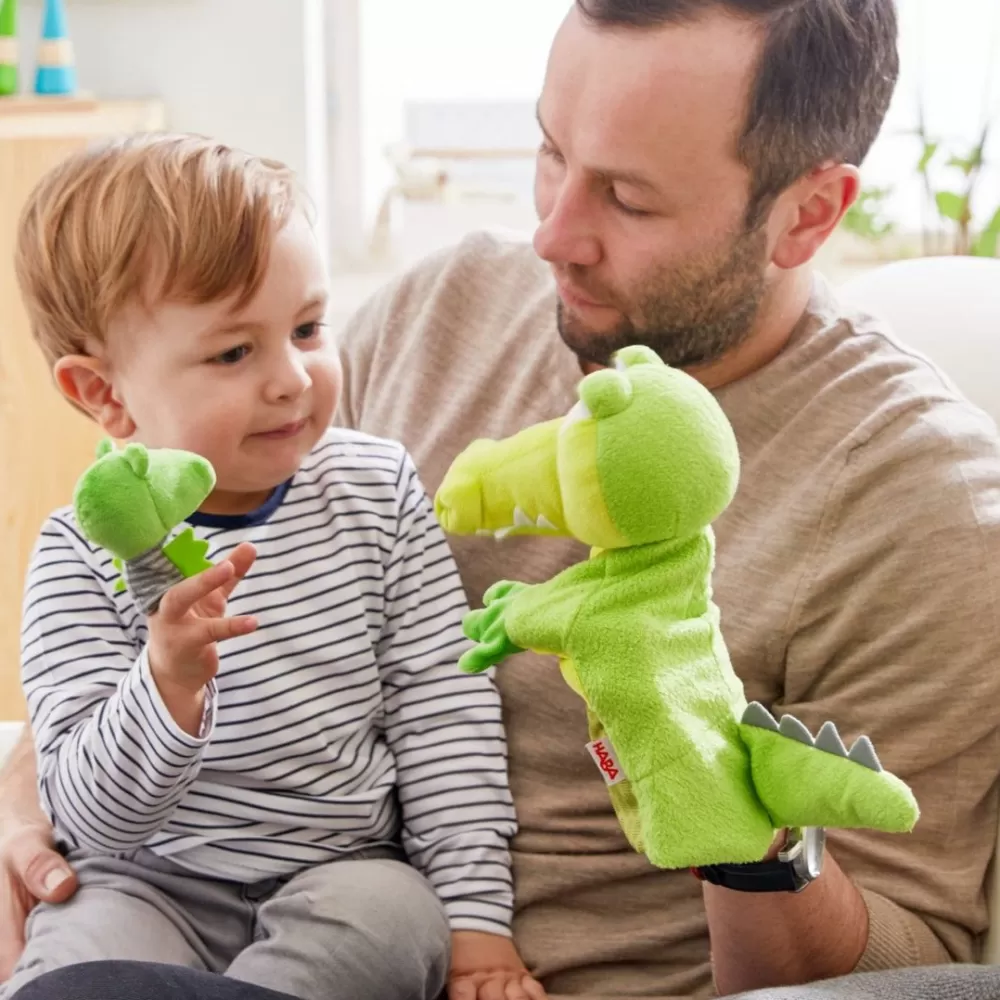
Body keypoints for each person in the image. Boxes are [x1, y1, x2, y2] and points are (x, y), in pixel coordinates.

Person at [4, 1, 1000, 998]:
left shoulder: (921, 502)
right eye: (550, 152)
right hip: (195, 915)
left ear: (808, 213)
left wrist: (733, 813)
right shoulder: (445, 308)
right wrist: (36, 780)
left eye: (630, 200)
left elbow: (898, 973)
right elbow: (158, 490)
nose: (551, 235)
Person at [0, 133, 536, 1000]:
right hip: (150, 881)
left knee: (395, 920)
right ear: (103, 393)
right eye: (232, 353)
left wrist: (478, 933)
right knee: (76, 957)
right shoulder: (77, 554)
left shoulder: (379, 489)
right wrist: (167, 685)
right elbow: (90, 812)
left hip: (346, 868)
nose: (293, 379)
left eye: (308, 328)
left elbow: (444, 711)